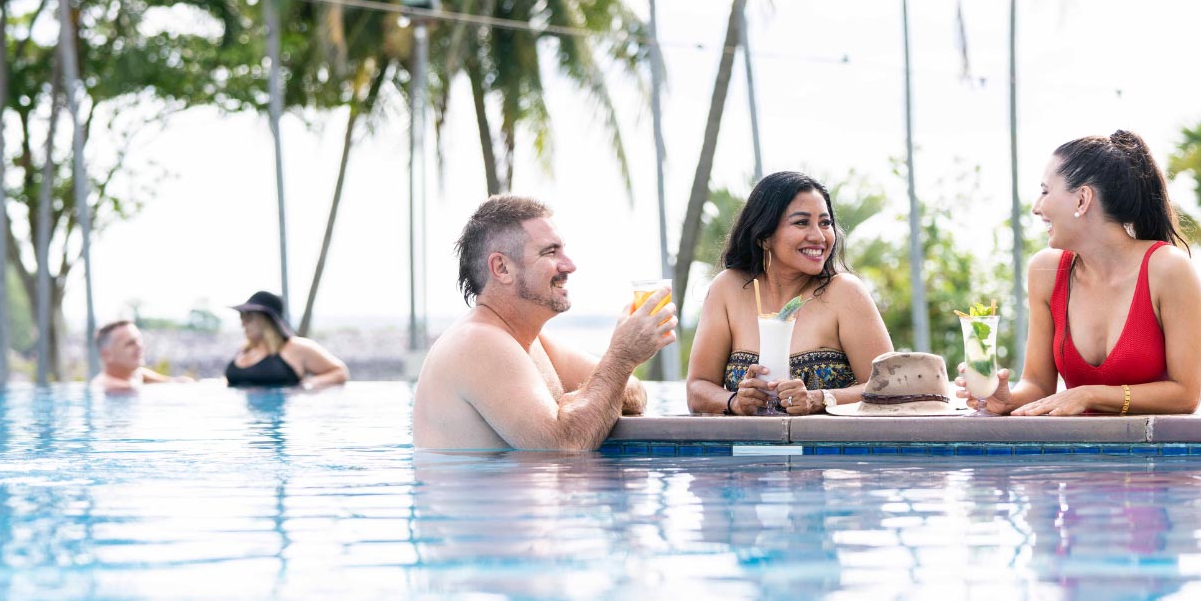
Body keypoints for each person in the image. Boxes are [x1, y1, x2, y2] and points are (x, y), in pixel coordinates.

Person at [961, 130, 1201, 416]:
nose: (1036, 207)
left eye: (1045, 191)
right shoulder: (1046, 272)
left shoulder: (1168, 269)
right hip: (1079, 459)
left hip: (1152, 458)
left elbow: (1186, 395)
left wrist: (1089, 395)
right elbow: (1038, 384)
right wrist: (1006, 398)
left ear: (1082, 199)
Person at [412, 195, 674, 450]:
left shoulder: (530, 339)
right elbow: (566, 445)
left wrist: (586, 398)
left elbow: (634, 393)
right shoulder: (476, 342)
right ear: (502, 268)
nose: (570, 266)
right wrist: (621, 358)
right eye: (550, 252)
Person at [686, 171, 892, 416]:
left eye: (825, 223)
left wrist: (821, 398)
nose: (819, 236)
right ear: (764, 237)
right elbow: (697, 388)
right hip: (747, 450)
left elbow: (890, 386)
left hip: (829, 451)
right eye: (801, 222)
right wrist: (735, 402)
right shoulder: (728, 289)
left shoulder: (844, 293)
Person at [224, 291, 349, 389]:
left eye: (249, 317)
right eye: (242, 317)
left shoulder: (296, 347)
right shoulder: (244, 350)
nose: (243, 324)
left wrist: (309, 384)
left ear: (267, 320)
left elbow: (340, 372)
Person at [91, 320, 189, 392]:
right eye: (130, 343)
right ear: (107, 355)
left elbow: (141, 373)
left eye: (139, 341)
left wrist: (173, 381)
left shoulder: (132, 376)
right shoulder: (109, 388)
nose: (140, 347)